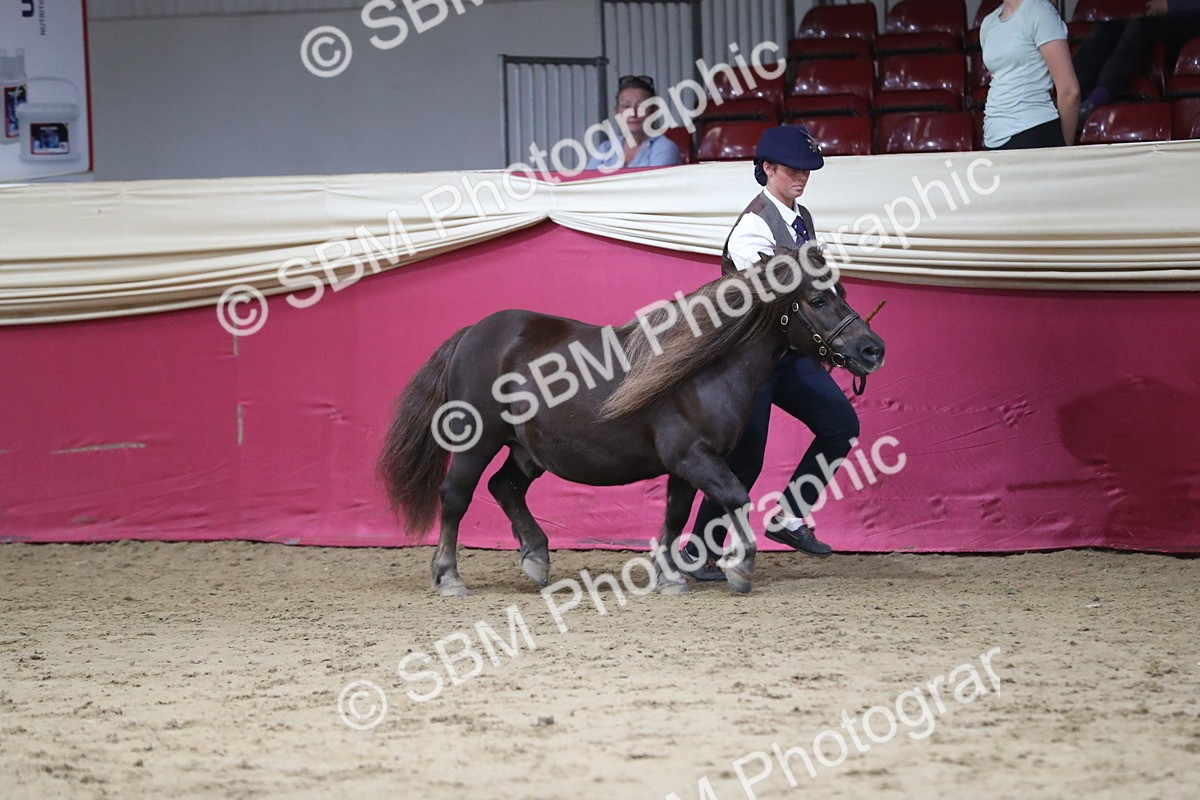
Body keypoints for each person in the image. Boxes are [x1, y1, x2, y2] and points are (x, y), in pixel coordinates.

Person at [679, 125, 860, 582]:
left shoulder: (802, 218)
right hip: (748, 363)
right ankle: (698, 552)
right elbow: (771, 293)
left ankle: (790, 517)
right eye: (794, 170)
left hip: (790, 356)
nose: (802, 177)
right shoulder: (752, 228)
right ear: (768, 169)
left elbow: (815, 286)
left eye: (807, 170)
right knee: (744, 459)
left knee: (841, 425)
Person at [1073, 0, 1200, 127]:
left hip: (1191, 21)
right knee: (1108, 26)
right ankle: (1072, 94)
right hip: (1170, 18)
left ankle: (1098, 99)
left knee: (1141, 25)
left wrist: (1171, 5)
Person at [980, 0, 1081, 149]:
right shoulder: (988, 23)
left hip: (1034, 131)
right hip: (992, 136)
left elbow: (1070, 91)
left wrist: (1063, 147)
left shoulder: (1039, 11)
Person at [584, 75, 681, 170]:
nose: (633, 113)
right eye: (626, 106)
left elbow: (652, 185)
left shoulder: (664, 148)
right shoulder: (605, 148)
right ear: (617, 111)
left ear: (654, 111)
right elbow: (586, 183)